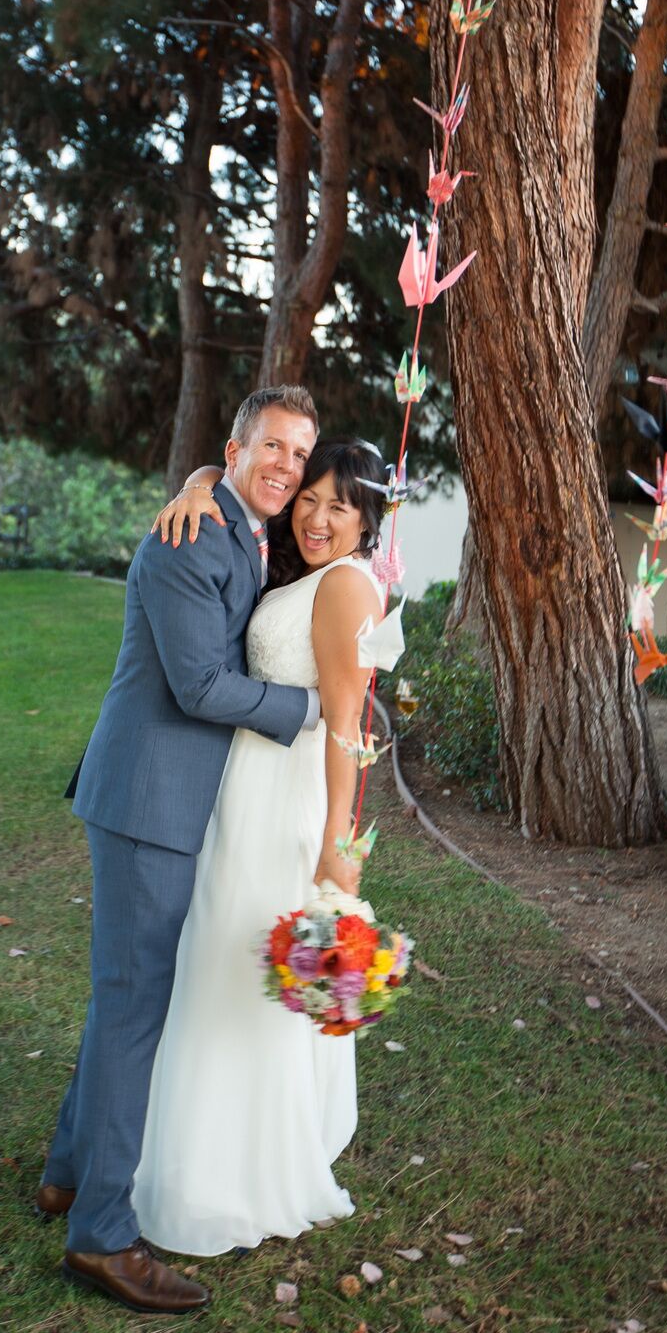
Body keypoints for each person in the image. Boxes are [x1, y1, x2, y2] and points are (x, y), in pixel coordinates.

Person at [37, 386, 323, 1315]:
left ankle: (68, 1176)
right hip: (147, 802)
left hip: (170, 802)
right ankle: (103, 1239)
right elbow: (201, 684)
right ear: (237, 446)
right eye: (269, 447)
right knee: (132, 1009)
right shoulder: (194, 535)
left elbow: (255, 526)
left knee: (123, 995)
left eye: (298, 452)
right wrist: (310, 711)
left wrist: (204, 474)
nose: (284, 465)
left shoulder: (235, 519)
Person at [130, 437, 387, 1256]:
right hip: (240, 792)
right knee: (212, 963)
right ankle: (190, 1158)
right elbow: (235, 474)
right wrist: (202, 478)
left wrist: (337, 845)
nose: (314, 516)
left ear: (366, 519)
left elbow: (349, 725)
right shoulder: (299, 570)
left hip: (288, 804)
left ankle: (241, 1173)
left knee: (244, 974)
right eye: (309, 498)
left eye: (338, 507)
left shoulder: (347, 586)